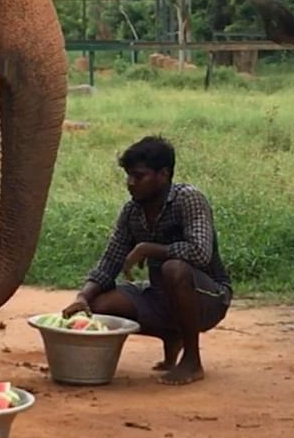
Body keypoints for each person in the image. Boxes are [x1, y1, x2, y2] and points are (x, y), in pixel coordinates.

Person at [62, 135, 231, 384]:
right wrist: (83, 297)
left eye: (139, 176)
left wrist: (149, 249)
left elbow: (200, 253)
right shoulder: (132, 211)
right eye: (128, 176)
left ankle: (192, 360)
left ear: (163, 175)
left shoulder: (188, 199)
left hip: (209, 296)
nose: (130, 183)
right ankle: (172, 335)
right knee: (100, 305)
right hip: (160, 295)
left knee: (174, 269)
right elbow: (110, 261)